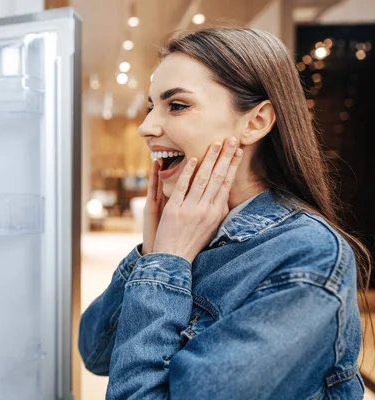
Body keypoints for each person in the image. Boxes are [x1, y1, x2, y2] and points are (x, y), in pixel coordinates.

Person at [78, 27, 373, 399]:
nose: (145, 127)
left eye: (178, 105)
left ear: (256, 122)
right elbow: (95, 352)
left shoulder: (307, 256)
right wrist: (154, 257)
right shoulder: (189, 231)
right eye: (151, 106)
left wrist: (166, 262)